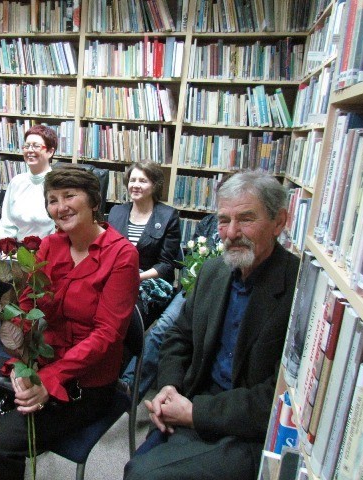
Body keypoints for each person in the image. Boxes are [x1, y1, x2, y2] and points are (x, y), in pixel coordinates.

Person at [0, 166, 140, 480]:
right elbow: (26, 309)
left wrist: (49, 379)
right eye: (52, 199)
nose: (60, 206)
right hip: (36, 362)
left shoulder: (121, 255)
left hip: (84, 382)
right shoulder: (50, 245)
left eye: (69, 196)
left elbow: (107, 334)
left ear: (94, 201)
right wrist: (19, 363)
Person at [124, 170, 299, 480]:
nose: (230, 233)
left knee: (142, 474)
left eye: (246, 219)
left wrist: (195, 413)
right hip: (193, 401)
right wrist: (169, 386)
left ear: (279, 221)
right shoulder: (213, 271)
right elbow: (179, 337)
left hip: (246, 431)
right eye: (223, 220)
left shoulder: (298, 290)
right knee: (136, 468)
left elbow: (282, 397)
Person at [120, 213, 219, 401]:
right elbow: (191, 261)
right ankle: (129, 386)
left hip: (221, 294)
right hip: (193, 289)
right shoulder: (208, 222)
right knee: (164, 327)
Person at [108, 161, 182, 324]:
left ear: (154, 185)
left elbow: (166, 265)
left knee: (123, 312)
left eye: (142, 181)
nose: (135, 185)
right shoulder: (116, 212)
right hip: (117, 277)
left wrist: (135, 277)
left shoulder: (168, 216)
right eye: (132, 180)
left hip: (152, 282)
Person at [0, 124, 57, 240]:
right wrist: (5, 251)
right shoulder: (16, 182)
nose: (30, 150)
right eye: (27, 146)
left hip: (48, 251)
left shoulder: (57, 184)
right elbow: (6, 224)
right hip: (16, 253)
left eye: (36, 146)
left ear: (50, 152)